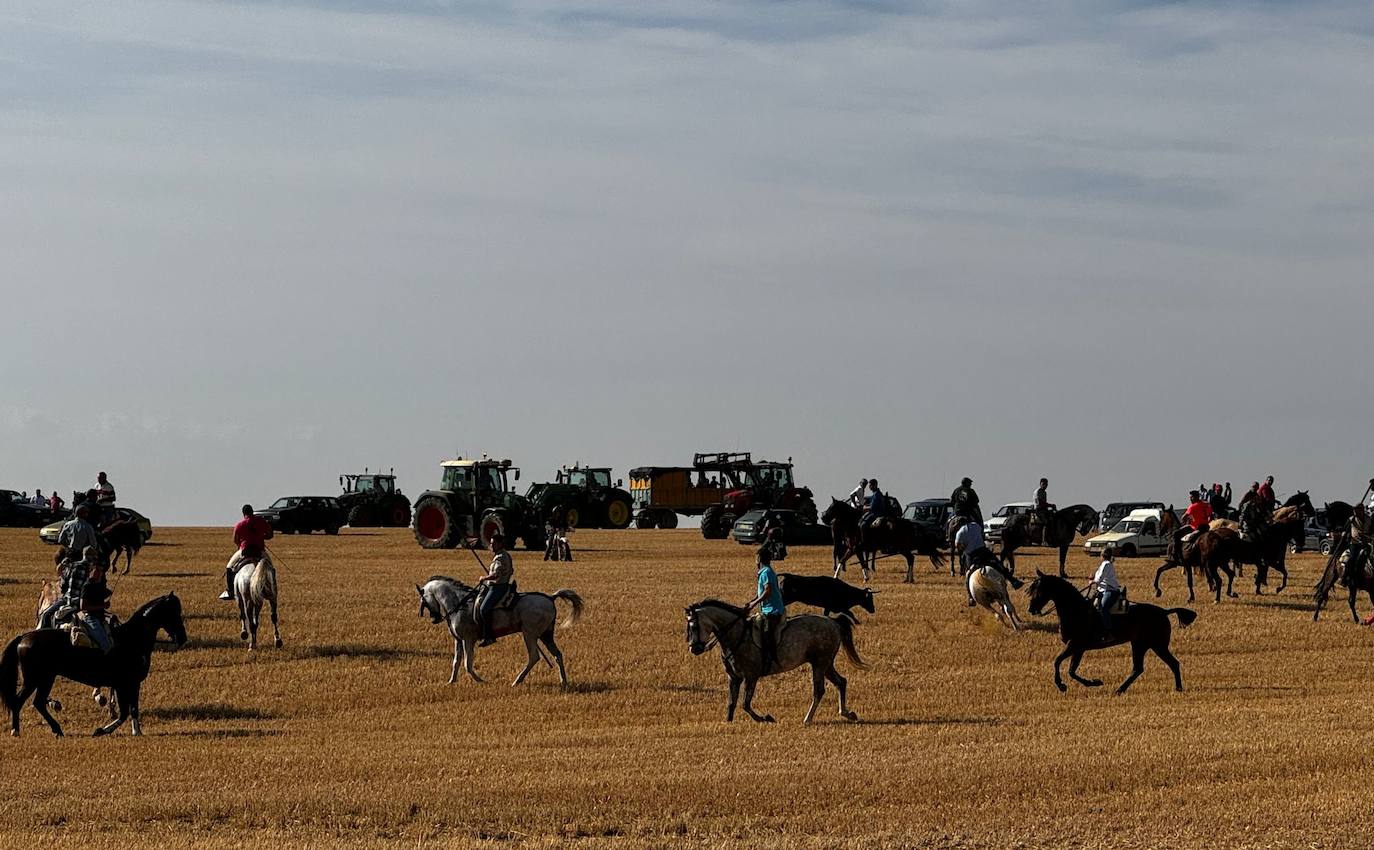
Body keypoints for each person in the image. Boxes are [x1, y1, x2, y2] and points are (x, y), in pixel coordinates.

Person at [955, 516, 1022, 605]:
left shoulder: (960, 532)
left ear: (959, 524)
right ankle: (1013, 581)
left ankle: (971, 597)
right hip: (983, 551)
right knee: (997, 564)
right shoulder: (975, 525)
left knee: (969, 574)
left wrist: (964, 547)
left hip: (971, 555)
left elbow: (958, 545)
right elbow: (982, 534)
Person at [744, 546, 786, 673]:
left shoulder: (766, 572)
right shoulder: (765, 572)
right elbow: (761, 592)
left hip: (773, 611)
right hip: (767, 609)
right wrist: (751, 602)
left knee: (767, 633)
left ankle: (771, 660)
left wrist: (754, 603)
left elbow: (767, 591)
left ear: (759, 559)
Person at [221, 504, 273, 601]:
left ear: (243, 513)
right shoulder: (261, 521)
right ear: (252, 512)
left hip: (244, 551)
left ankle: (230, 591)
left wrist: (240, 544)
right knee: (270, 567)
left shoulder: (239, 524)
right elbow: (270, 534)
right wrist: (262, 537)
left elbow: (235, 540)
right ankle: (272, 588)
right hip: (259, 551)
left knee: (229, 567)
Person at [476, 533, 514, 646]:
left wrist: (484, 578)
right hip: (496, 586)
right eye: (491, 543)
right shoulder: (502, 555)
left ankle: (489, 636)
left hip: (497, 588)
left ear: (500, 544)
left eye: (493, 543)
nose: (491, 545)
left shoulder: (501, 557)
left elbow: (496, 575)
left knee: (483, 609)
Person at [1090, 545, 1123, 640]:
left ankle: (1109, 632)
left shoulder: (1106, 564)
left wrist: (1092, 581)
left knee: (1103, 607)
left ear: (1102, 555)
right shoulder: (1105, 564)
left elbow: (1099, 579)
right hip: (1102, 590)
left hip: (1110, 591)